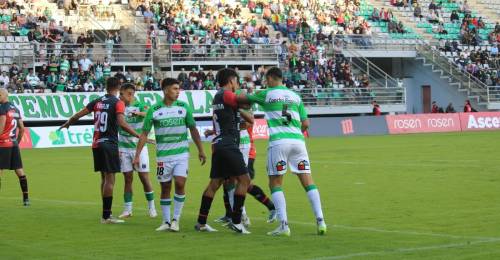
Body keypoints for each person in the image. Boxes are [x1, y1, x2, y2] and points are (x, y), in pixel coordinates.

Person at [237, 67, 326, 236]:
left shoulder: (267, 93)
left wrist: (241, 89)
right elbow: (306, 124)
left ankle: (284, 226)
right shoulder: (295, 96)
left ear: (270, 78)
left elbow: (242, 98)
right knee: (308, 181)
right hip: (298, 142)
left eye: (266, 79)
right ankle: (321, 221)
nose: (265, 82)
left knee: (275, 183)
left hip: (279, 142)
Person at [59, 77, 141, 224]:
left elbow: (78, 115)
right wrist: (138, 135)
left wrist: (68, 123)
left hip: (96, 144)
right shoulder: (118, 103)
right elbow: (122, 122)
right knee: (111, 179)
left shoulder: (97, 101)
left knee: (104, 179)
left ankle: (105, 212)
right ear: (118, 88)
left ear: (106, 86)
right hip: (109, 144)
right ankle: (106, 216)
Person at [134, 78, 207, 232]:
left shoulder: (183, 107)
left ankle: (176, 219)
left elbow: (193, 129)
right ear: (166, 90)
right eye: (175, 88)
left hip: (181, 155)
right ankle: (166, 221)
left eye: (178, 88)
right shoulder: (154, 110)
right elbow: (144, 134)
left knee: (180, 183)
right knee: (165, 187)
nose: (178, 91)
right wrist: (137, 155)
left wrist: (201, 149)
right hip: (162, 157)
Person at [194, 68, 252, 234]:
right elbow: (245, 103)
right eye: (236, 81)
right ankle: (236, 221)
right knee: (245, 180)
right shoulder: (226, 94)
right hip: (228, 143)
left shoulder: (218, 96)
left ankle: (201, 222)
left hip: (219, 144)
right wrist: (252, 96)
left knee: (215, 183)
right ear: (231, 80)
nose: (237, 85)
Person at [117, 83, 157, 219]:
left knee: (144, 178)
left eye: (122, 94)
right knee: (127, 179)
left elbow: (149, 112)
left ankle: (152, 207)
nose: (120, 96)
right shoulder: (119, 106)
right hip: (123, 147)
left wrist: (138, 113)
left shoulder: (140, 104)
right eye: (120, 94)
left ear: (130, 94)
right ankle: (127, 210)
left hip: (139, 148)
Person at [0, 89, 29, 206]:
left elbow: (1, 128)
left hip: (2, 144)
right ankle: (26, 199)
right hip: (13, 144)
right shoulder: (15, 109)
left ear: (5, 95)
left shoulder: (2, 108)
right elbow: (22, 128)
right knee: (20, 171)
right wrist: (16, 142)